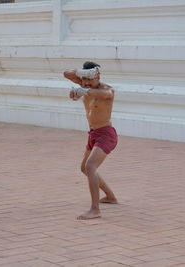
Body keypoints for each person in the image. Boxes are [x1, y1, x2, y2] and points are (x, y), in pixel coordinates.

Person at [63, 61, 118, 220]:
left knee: (90, 166)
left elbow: (105, 95)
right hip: (93, 134)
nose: (86, 83)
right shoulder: (85, 83)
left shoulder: (107, 90)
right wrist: (83, 77)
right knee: (84, 168)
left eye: (90, 79)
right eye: (84, 80)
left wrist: (82, 90)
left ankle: (95, 210)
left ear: (98, 76)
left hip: (106, 135)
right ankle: (110, 196)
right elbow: (66, 73)